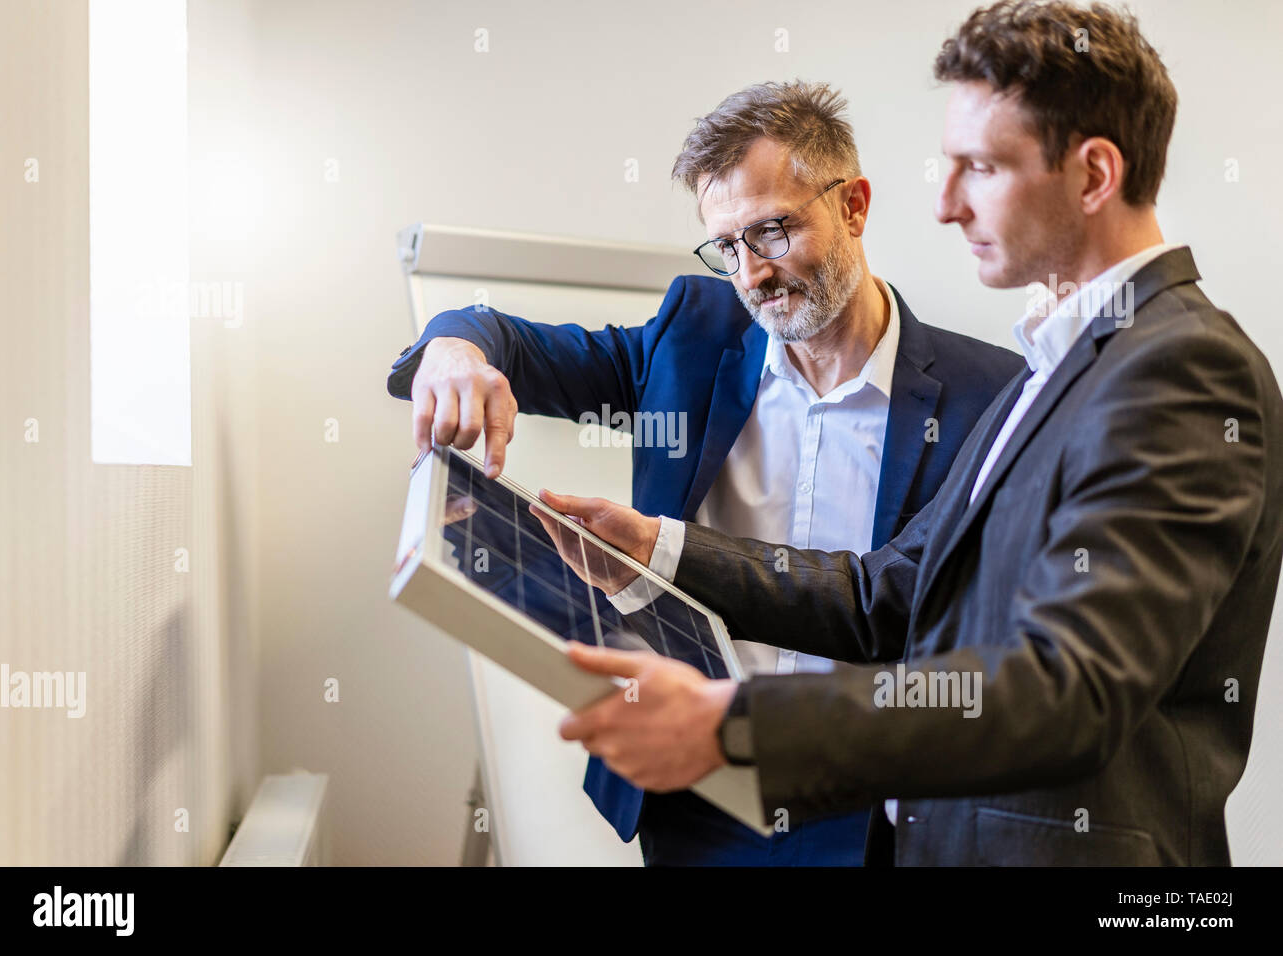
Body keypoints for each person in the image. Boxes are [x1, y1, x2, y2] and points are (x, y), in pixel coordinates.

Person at [539, 0, 1283, 865]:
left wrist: (738, 725)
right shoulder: (1053, 369)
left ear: (1092, 176)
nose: (943, 205)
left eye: (979, 168)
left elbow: (1066, 689)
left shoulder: (1182, 370)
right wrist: (659, 547)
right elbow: (880, 594)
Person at [386, 80, 1023, 864]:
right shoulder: (689, 339)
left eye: (773, 232)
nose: (751, 274)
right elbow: (504, 338)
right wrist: (452, 352)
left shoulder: (991, 395)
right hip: (695, 790)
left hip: (867, 813)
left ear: (854, 206)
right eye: (727, 246)